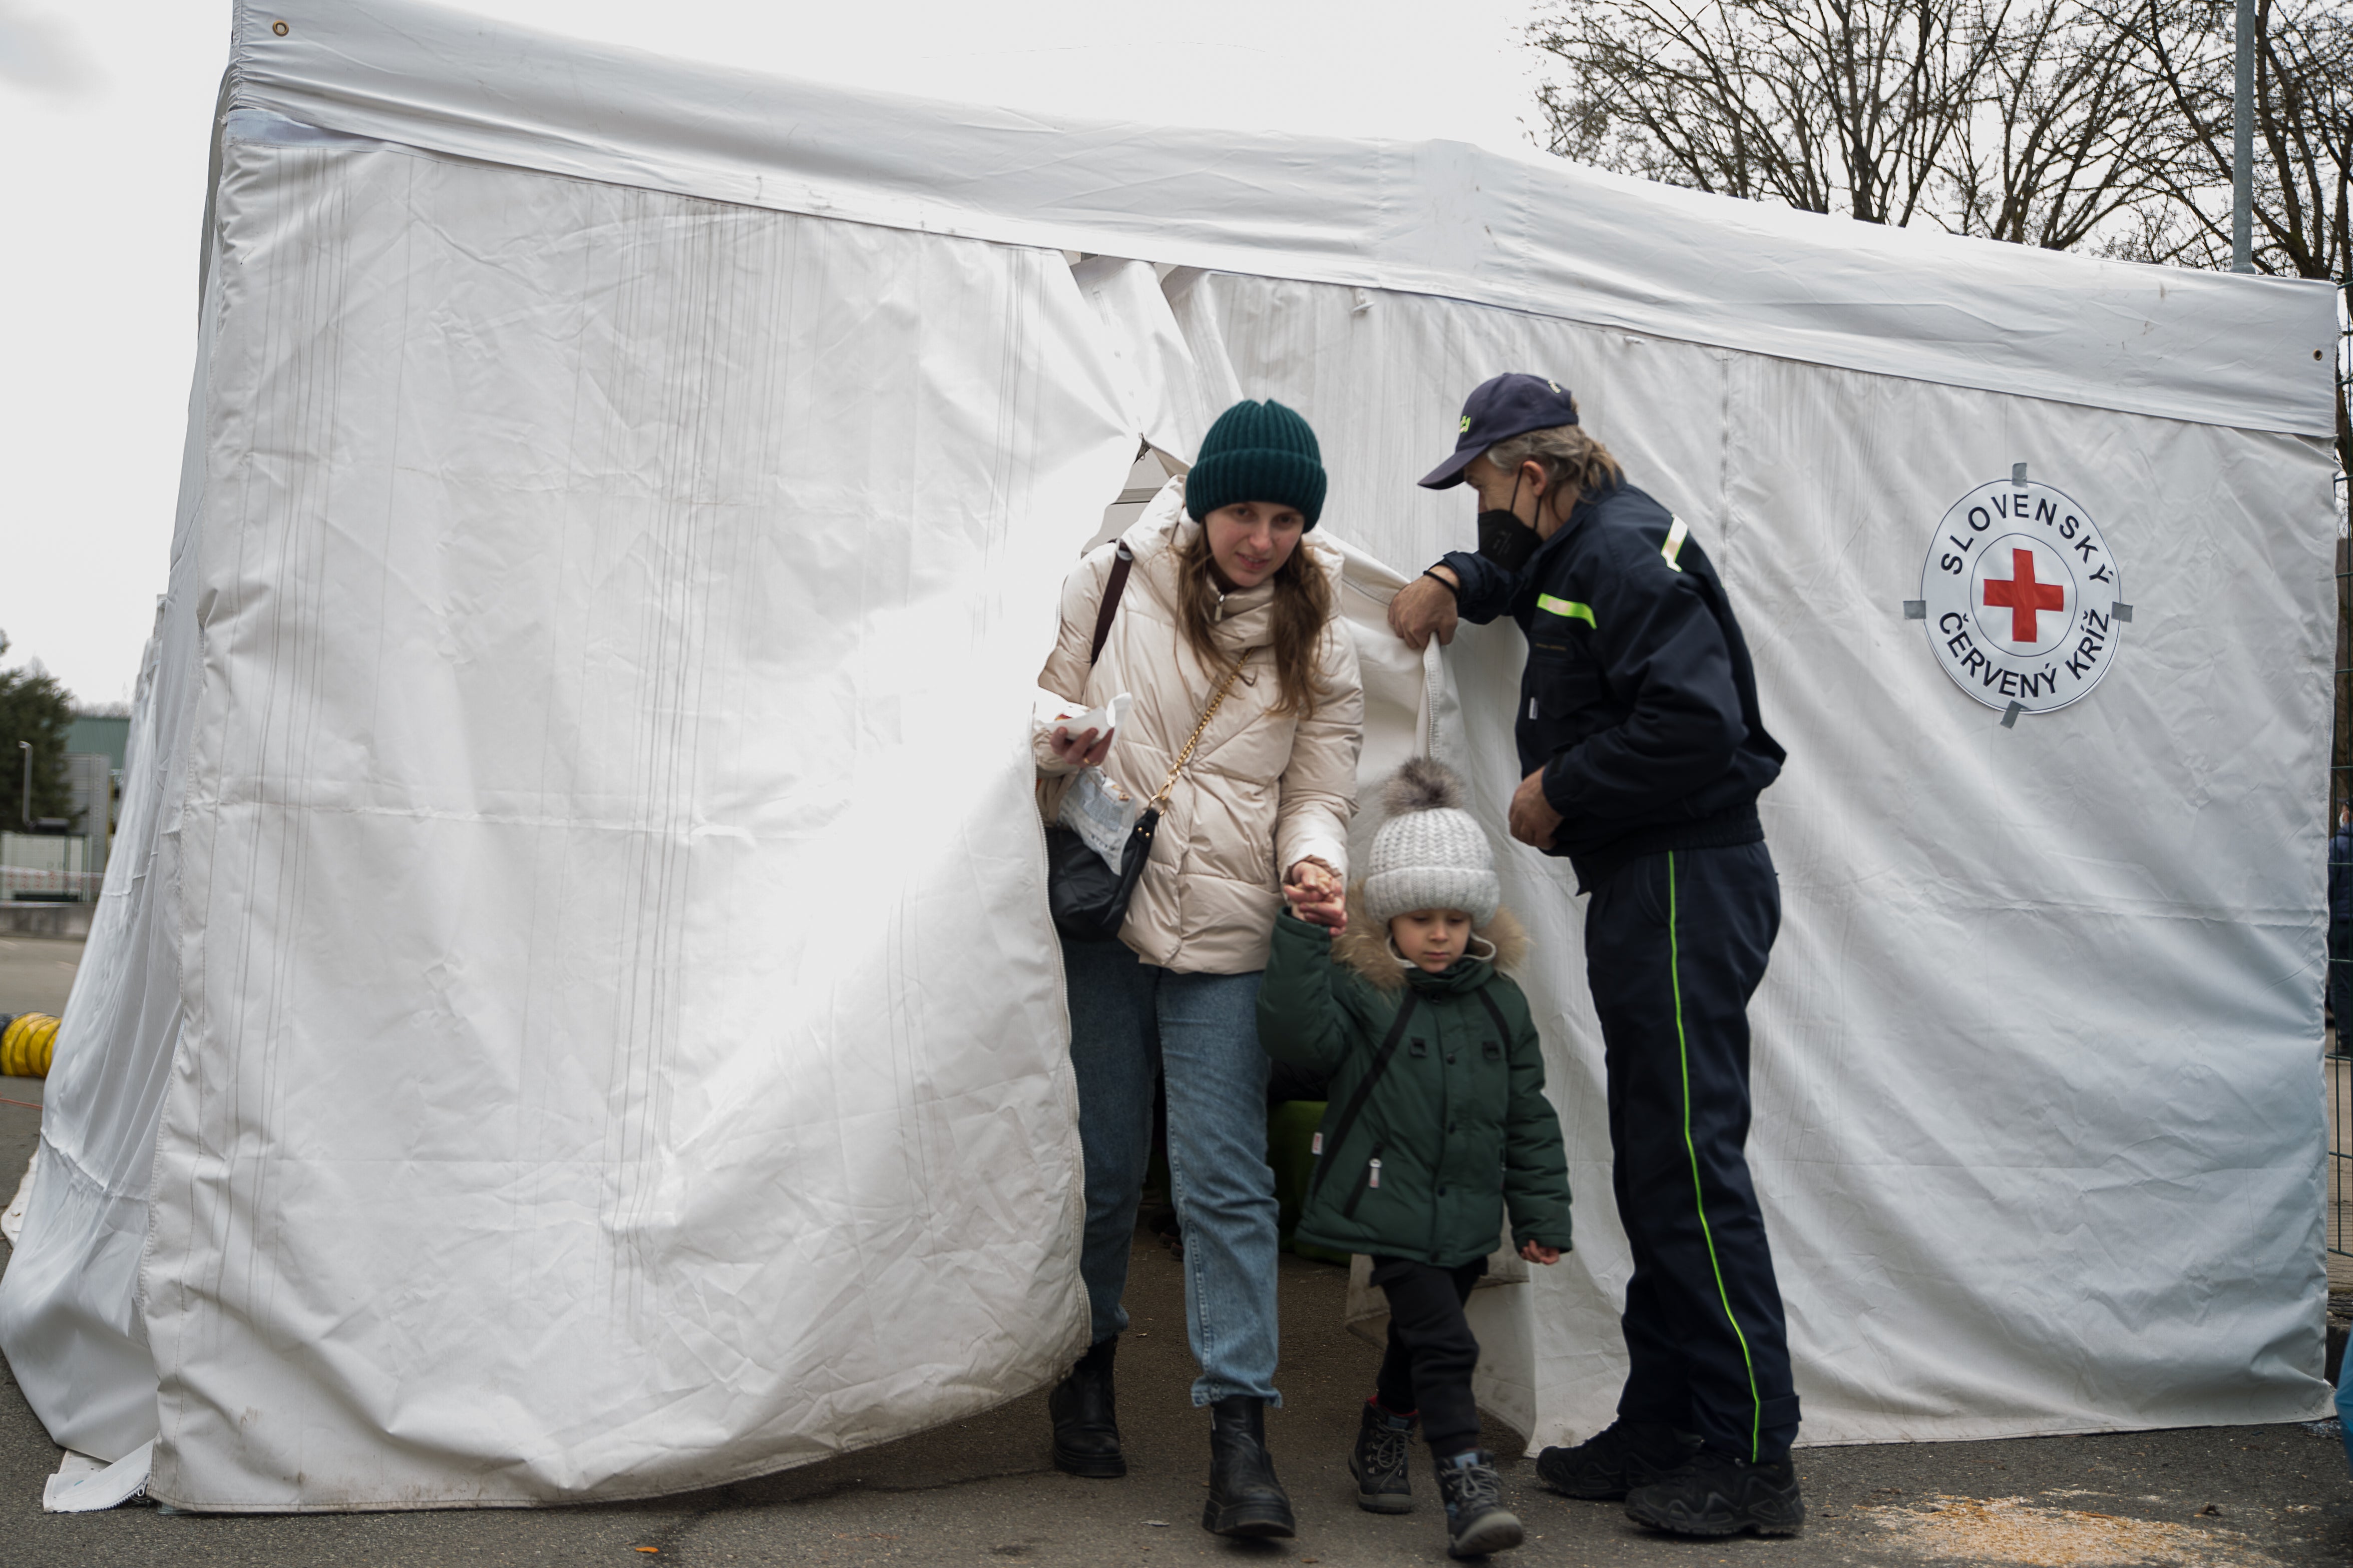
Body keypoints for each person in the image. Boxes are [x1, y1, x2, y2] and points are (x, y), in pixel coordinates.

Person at [1386, 373, 1802, 1538]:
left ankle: (1752, 1453)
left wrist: (1559, 788)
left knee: (1688, 1169)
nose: (1482, 509)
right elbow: (1525, 578)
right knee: (1656, 1170)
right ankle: (1666, 1419)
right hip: (1653, 885)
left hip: (1683, 882)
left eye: (1481, 488)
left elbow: (1694, 722)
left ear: (1533, 470)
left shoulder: (1618, 555)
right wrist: (1457, 578)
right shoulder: (1585, 541)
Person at [1033, 398, 1364, 1540]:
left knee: (1228, 1182)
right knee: (1108, 1165)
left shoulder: (1321, 635)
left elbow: (1316, 788)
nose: (1260, 537)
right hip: (1109, 912)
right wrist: (1056, 740)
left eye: (1283, 518)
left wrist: (1315, 861)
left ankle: (1240, 1433)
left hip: (1229, 930)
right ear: (1204, 501)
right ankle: (1085, 1361)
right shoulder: (1108, 581)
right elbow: (1037, 702)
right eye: (1241, 510)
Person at [1256, 757, 1572, 1559]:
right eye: (1420, 917)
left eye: (1456, 918)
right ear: (1389, 919)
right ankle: (1466, 1486)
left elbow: (1526, 1115)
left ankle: (1382, 1431)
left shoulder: (1500, 1002)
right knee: (1448, 1344)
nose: (1439, 934)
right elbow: (1298, 1041)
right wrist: (1301, 936)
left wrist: (1539, 1213)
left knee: (1421, 1341)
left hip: (1467, 1211)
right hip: (1386, 1202)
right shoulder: (1369, 992)